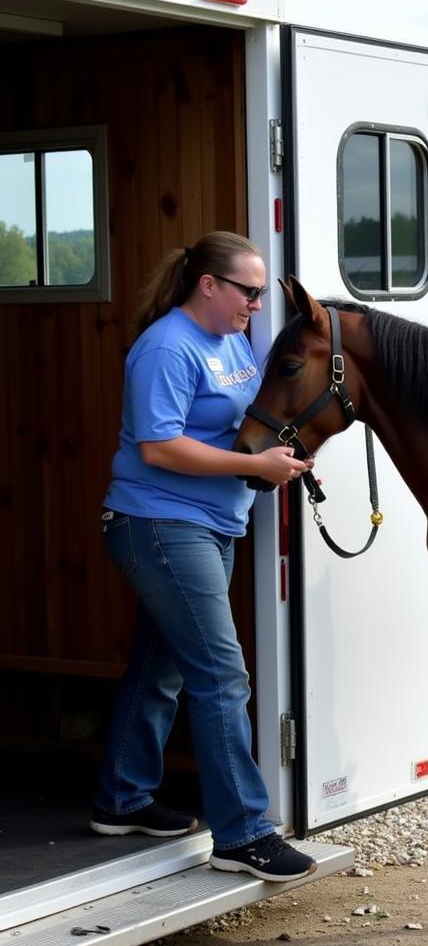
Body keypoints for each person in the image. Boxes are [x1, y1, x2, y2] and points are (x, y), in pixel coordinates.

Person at [91, 231, 317, 882]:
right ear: (208, 285)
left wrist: (279, 451)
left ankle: (122, 797)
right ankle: (244, 834)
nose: (256, 302)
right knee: (222, 675)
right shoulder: (166, 347)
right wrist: (255, 464)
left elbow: (241, 419)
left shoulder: (233, 342)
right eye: (247, 291)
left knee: (161, 666)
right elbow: (159, 447)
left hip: (212, 524)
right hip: (160, 525)